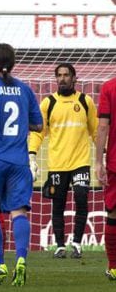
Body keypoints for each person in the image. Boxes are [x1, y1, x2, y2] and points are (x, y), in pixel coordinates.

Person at [0, 43, 43, 286]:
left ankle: (0, 264)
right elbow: (39, 125)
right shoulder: (25, 90)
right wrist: (22, 124)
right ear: (13, 63)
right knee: (18, 211)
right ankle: (21, 259)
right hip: (18, 161)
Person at [29, 63, 97, 259]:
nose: (62, 78)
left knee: (82, 198)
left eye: (66, 75)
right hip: (57, 164)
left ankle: (76, 243)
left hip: (81, 162)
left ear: (74, 78)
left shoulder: (85, 101)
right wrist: (32, 154)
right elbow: (38, 132)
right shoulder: (48, 103)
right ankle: (59, 245)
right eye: (59, 75)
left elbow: (94, 131)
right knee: (58, 204)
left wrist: (105, 152)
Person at [95, 76, 116, 280]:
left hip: (115, 160)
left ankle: (114, 266)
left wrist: (98, 161)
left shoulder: (110, 87)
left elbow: (103, 126)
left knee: (113, 214)